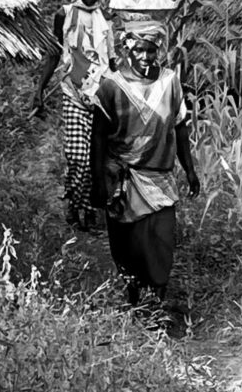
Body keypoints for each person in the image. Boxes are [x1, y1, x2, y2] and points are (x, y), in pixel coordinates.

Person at [89, 19, 200, 306]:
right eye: (138, 49)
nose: (145, 57)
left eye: (151, 50)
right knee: (127, 246)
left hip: (160, 179)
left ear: (159, 50)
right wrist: (98, 181)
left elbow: (180, 127)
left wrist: (189, 170)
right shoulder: (111, 86)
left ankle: (157, 302)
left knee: (162, 241)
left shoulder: (170, 81)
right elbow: (98, 136)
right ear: (127, 48)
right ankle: (135, 298)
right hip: (123, 180)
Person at [33, 0, 115, 231]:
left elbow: (110, 63)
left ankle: (88, 211)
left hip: (100, 96)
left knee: (95, 159)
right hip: (72, 92)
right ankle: (73, 202)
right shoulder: (64, 14)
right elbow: (54, 54)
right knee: (77, 157)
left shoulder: (106, 21)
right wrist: (39, 90)